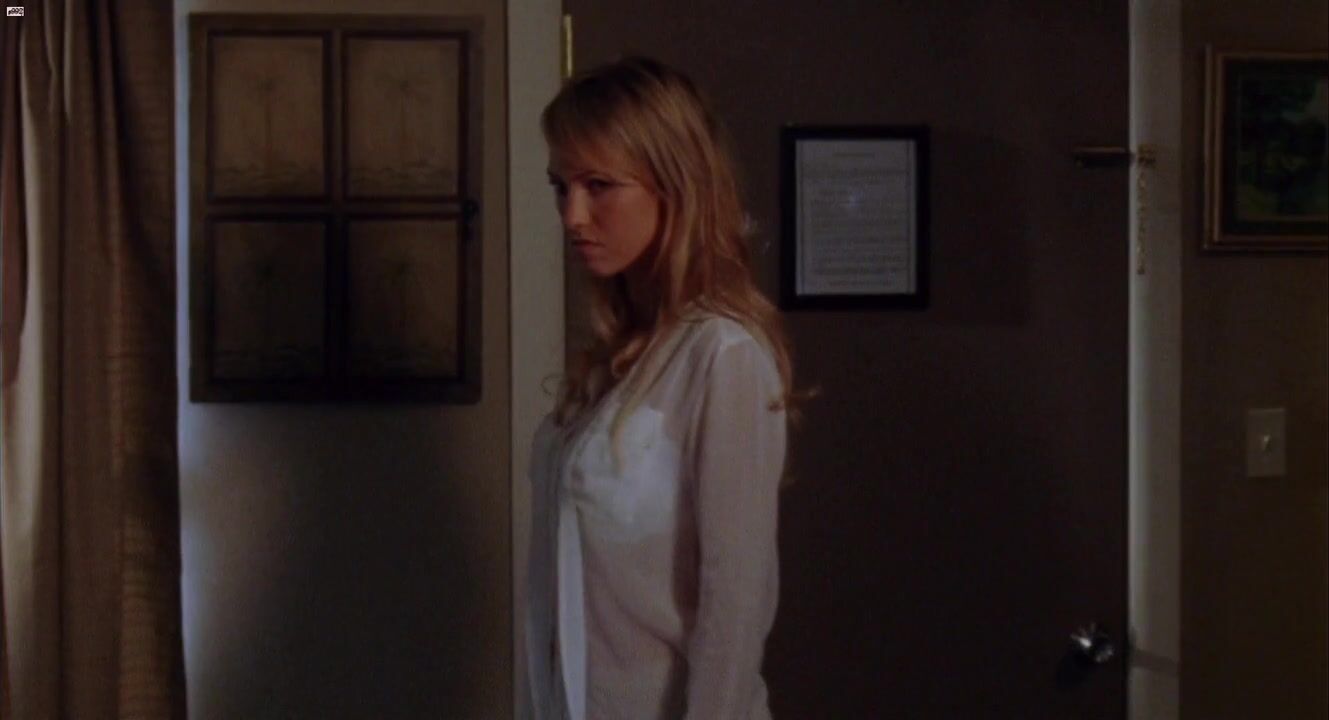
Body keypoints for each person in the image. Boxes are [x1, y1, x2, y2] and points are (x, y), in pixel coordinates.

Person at [525, 56, 809, 720]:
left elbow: (735, 601)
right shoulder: (618, 357)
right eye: (561, 187)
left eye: (599, 186)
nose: (573, 215)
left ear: (673, 186)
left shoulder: (723, 355)